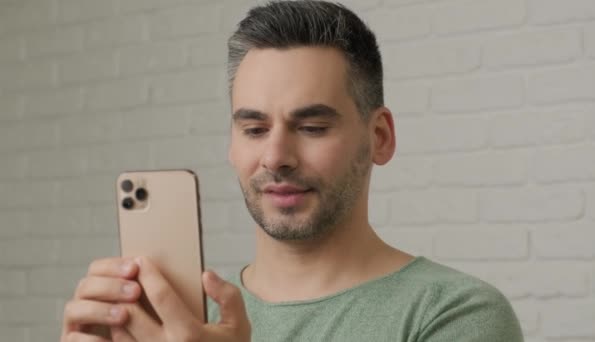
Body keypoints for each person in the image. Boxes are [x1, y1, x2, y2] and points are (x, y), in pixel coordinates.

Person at [61, 1, 524, 341]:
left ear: (379, 137)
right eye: (255, 128)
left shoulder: (455, 314)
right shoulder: (180, 323)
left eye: (312, 126)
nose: (276, 156)